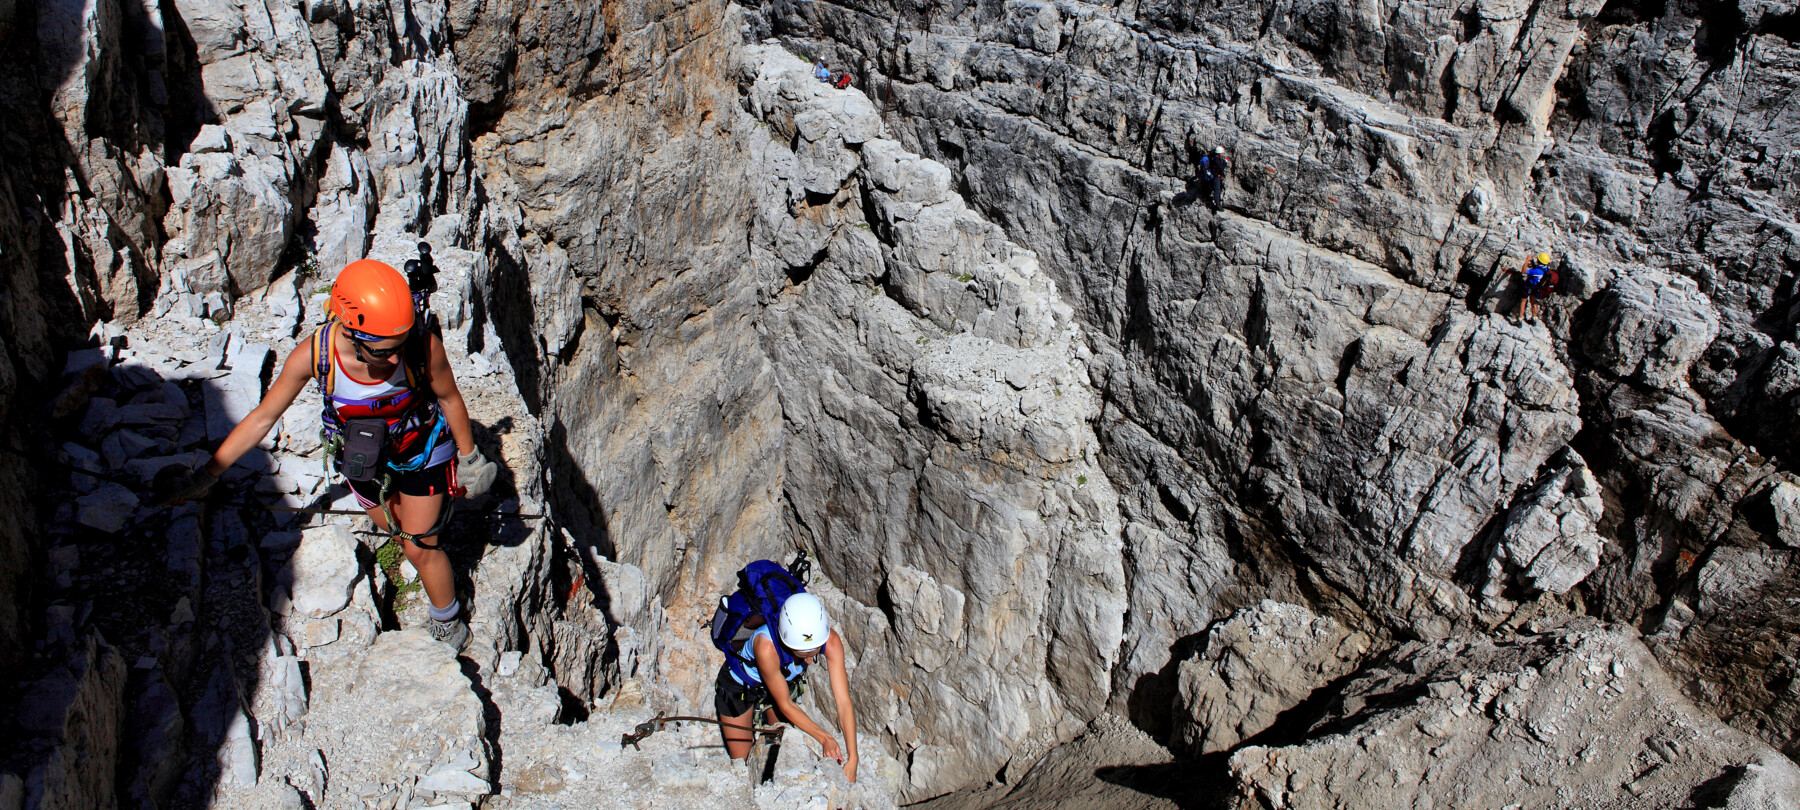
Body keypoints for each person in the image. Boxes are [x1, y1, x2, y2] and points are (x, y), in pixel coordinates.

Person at [159, 258, 498, 650]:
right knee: (393, 527)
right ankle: (427, 530)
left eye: (398, 348)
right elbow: (262, 418)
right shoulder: (315, 356)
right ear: (350, 331)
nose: (393, 360)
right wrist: (207, 475)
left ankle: (449, 621)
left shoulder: (420, 347)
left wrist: (470, 457)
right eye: (382, 350)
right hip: (363, 459)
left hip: (421, 452)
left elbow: (449, 398)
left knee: (419, 547)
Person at [716, 592, 859, 783]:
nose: (808, 660)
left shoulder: (830, 640)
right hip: (739, 685)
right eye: (801, 653)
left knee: (782, 742)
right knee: (742, 762)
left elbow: (843, 702)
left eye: (814, 651)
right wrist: (825, 738)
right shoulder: (766, 646)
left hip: (780, 681)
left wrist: (853, 757)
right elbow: (785, 704)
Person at [1514, 252, 1558, 322]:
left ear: (1539, 261)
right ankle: (1534, 317)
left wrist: (1527, 260)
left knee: (1523, 301)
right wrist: (1532, 262)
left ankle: (1519, 319)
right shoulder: (1546, 269)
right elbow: (1537, 269)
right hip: (1536, 288)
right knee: (1533, 301)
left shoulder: (1536, 271)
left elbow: (1523, 271)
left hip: (1528, 287)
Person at [1198, 145, 1230, 209]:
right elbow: (1221, 167)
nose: (1223, 154)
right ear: (1219, 153)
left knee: (1217, 189)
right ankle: (1217, 205)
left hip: (1216, 176)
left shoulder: (1214, 158)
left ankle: (1217, 200)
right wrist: (1226, 162)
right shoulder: (1216, 160)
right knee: (1217, 190)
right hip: (1215, 177)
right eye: (1222, 153)